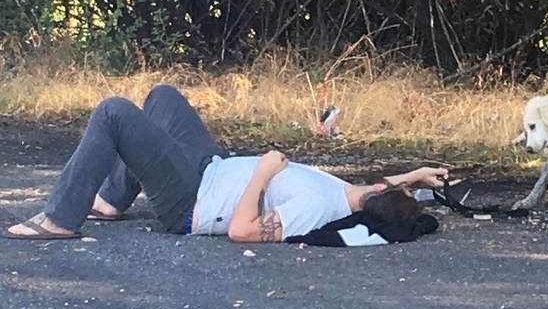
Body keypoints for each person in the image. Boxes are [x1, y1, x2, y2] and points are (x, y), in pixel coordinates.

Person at [4, 85, 454, 243]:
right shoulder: (349, 196)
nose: (392, 184)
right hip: (209, 167)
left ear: (377, 196)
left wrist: (262, 173)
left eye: (398, 188)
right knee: (163, 98)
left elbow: (243, 232)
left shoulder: (318, 208)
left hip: (190, 202)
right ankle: (113, 198)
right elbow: (385, 191)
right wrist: (414, 175)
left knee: (114, 113)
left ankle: (61, 218)